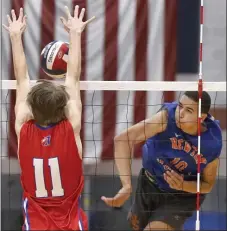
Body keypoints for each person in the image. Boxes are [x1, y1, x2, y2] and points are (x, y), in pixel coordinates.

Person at [3, 6, 95, 230]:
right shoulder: (71, 127)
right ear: (64, 108)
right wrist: (75, 33)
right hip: (70, 221)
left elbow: (21, 78)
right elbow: (73, 76)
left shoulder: (23, 127)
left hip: (36, 222)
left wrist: (15, 36)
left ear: (31, 109)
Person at [102, 91, 223, 230]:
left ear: (201, 117)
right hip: (148, 184)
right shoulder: (165, 118)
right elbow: (123, 139)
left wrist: (183, 185)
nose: (180, 113)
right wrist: (126, 186)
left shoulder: (212, 142)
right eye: (180, 106)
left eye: (189, 110)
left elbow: (207, 185)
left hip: (180, 196)